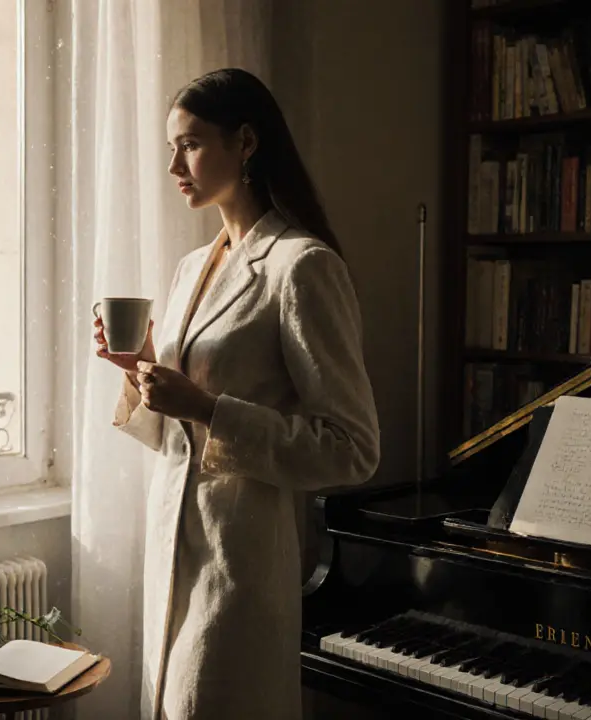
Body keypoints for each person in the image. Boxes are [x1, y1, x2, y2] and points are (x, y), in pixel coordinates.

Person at [92, 68, 381, 720]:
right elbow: (178, 433)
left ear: (245, 142)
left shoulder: (302, 267)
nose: (174, 165)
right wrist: (137, 368)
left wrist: (205, 408)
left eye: (189, 144)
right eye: (172, 147)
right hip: (171, 557)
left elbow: (352, 450)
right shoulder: (193, 268)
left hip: (240, 569)